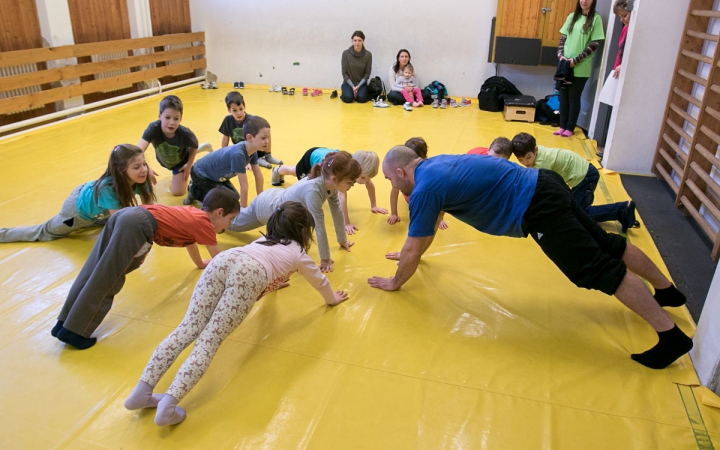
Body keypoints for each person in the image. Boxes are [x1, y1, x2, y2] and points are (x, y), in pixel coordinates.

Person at [369, 146, 693, 370]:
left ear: (400, 171)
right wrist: (413, 255)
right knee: (607, 244)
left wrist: (397, 280)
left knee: (595, 269)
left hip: (538, 207)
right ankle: (666, 290)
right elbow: (423, 234)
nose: (390, 183)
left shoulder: (424, 188)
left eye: (388, 179)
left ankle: (670, 336)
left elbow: (414, 243)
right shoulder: (435, 167)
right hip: (545, 182)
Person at [123, 201, 348, 426]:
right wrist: (332, 299)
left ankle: (141, 391)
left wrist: (271, 282)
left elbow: (264, 262)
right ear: (303, 231)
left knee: (187, 328)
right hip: (249, 274)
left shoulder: (262, 240)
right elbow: (319, 281)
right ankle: (168, 406)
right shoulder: (298, 253)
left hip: (224, 260)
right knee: (208, 341)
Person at [51, 188, 240, 350]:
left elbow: (191, 244)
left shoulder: (193, 214)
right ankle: (74, 331)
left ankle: (64, 322)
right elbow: (219, 259)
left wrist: (199, 264)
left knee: (94, 269)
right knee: (109, 278)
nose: (229, 225)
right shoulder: (205, 224)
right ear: (219, 212)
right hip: (136, 224)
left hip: (125, 215)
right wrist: (238, 279)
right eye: (231, 219)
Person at [228, 151, 360, 273]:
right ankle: (211, 216)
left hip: (276, 200)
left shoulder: (330, 184)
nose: (352, 185)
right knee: (232, 224)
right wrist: (325, 259)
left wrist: (342, 239)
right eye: (349, 182)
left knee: (235, 217)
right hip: (267, 208)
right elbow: (319, 227)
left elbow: (336, 210)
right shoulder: (313, 191)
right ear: (334, 178)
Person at [0, 144, 155, 242]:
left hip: (93, 199)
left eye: (144, 164)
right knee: (44, 232)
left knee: (119, 217)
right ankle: (2, 234)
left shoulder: (141, 179)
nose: (144, 170)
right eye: (136, 167)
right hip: (75, 211)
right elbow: (120, 223)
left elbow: (150, 210)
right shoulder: (107, 190)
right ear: (121, 171)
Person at [510, 132, 637, 232]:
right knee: (570, 208)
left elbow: (544, 188)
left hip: (585, 176)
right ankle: (621, 210)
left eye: (528, 158)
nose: (526, 163)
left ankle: (623, 210)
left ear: (535, 150)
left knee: (581, 216)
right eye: (521, 160)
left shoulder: (543, 163)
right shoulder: (537, 155)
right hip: (579, 174)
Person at [271, 148, 387, 235]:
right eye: (363, 178)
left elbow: (370, 185)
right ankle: (277, 170)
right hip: (311, 158)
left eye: (367, 178)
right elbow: (342, 198)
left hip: (324, 155)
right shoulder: (346, 172)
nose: (364, 181)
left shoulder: (358, 168)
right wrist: (346, 223)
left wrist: (374, 206)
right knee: (294, 172)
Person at [187, 115, 268, 208]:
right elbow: (244, 186)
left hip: (216, 177)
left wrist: (260, 201)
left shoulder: (252, 150)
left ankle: (203, 190)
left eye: (268, 138)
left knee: (234, 197)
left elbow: (258, 176)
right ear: (249, 137)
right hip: (201, 174)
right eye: (263, 138)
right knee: (223, 203)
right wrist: (243, 213)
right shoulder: (238, 154)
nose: (267, 141)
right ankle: (193, 190)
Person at [138, 95, 211, 196]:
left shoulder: (185, 133)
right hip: (164, 159)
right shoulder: (153, 128)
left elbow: (194, 145)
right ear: (159, 116)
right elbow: (138, 151)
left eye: (176, 119)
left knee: (178, 193)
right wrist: (146, 168)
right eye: (167, 117)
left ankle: (199, 149)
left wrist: (189, 165)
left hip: (180, 162)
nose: (171, 122)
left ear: (180, 119)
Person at [555, 0, 605, 138]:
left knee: (573, 97)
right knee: (563, 97)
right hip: (565, 65)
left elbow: (595, 43)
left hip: (580, 68)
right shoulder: (572, 16)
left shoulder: (596, 19)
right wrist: (560, 55)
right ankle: (562, 126)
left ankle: (570, 127)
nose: (584, 1)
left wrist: (576, 60)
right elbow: (563, 38)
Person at [387, 138, 447, 230]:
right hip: (411, 194)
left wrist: (440, 218)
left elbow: (440, 193)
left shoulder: (429, 172)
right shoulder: (402, 172)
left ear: (425, 158)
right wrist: (394, 213)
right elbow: (394, 190)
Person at [218, 91, 282, 169]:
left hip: (255, 149)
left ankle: (267, 156)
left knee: (266, 133)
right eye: (234, 110)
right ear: (229, 110)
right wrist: (223, 154)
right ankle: (254, 159)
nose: (239, 113)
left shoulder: (251, 120)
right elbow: (225, 137)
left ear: (244, 107)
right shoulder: (227, 120)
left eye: (241, 109)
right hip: (241, 151)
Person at [340, 31, 372, 104]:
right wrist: (353, 87)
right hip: (348, 83)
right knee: (348, 98)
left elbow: (367, 73)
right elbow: (344, 73)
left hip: (361, 84)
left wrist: (358, 86)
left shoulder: (368, 55)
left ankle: (358, 92)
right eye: (355, 40)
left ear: (363, 41)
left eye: (359, 40)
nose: (357, 43)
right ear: (352, 41)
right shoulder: (345, 53)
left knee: (361, 99)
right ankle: (347, 92)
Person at [612, 0, 631, 79]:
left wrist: (623, 66)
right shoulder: (625, 29)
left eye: (624, 15)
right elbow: (619, 53)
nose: (621, 20)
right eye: (620, 17)